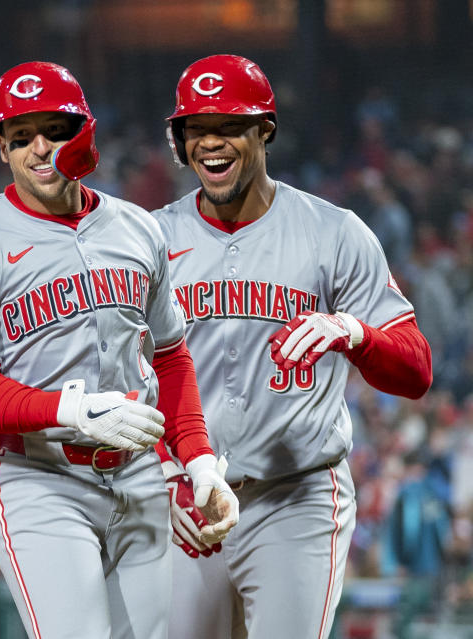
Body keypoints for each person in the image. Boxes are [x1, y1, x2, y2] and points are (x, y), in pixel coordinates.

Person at [0, 60, 239, 639]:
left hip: (140, 475)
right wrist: (69, 411)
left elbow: (170, 357)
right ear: (2, 151)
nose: (39, 148)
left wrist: (195, 462)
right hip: (40, 477)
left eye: (55, 130)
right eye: (20, 138)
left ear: (85, 132)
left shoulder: (137, 228)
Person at [151, 54, 433, 639]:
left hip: (296, 497)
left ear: (265, 132)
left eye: (229, 126)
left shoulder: (334, 232)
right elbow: (123, 376)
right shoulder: (149, 238)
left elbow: (416, 371)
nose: (211, 143)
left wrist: (356, 334)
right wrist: (160, 474)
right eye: (196, 129)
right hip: (183, 496)